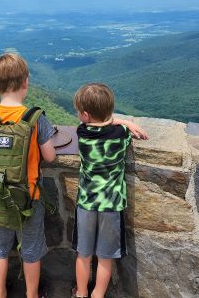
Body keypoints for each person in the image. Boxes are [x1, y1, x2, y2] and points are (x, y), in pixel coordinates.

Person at [0, 53, 56, 298]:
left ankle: (0, 293)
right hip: (29, 197)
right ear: (26, 82)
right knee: (31, 250)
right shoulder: (36, 118)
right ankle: (32, 295)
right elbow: (50, 157)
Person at [71, 83, 148, 298]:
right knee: (105, 257)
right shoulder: (121, 134)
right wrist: (125, 121)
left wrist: (112, 120)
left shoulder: (83, 134)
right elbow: (113, 124)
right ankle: (98, 295)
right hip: (112, 205)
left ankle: (81, 293)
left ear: (85, 115)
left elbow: (98, 123)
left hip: (86, 203)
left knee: (83, 255)